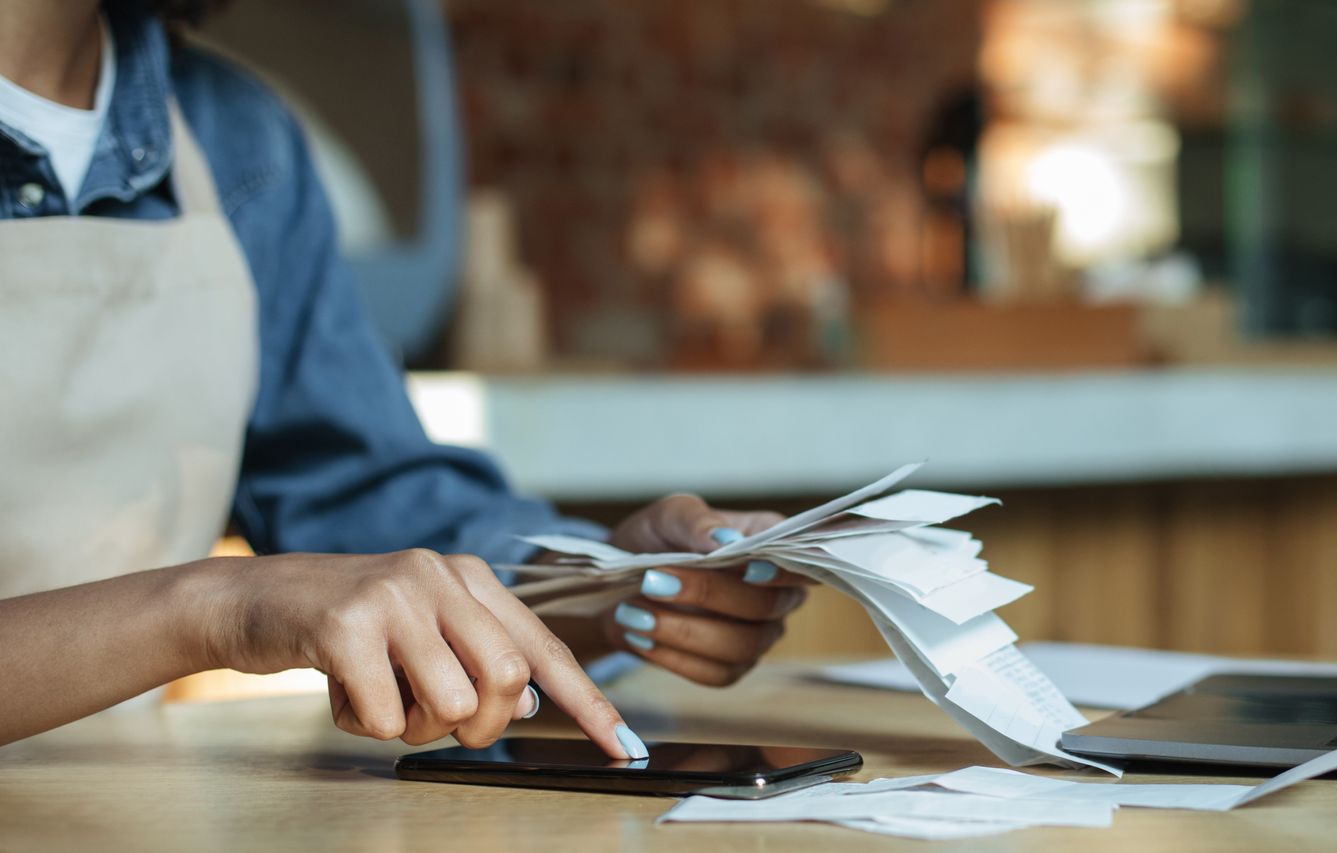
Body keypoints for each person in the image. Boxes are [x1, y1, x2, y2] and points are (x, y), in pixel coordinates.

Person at [0, 0, 808, 757]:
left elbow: (358, 496)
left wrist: (602, 584)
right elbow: (250, 595)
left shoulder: (236, 138)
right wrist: (217, 609)